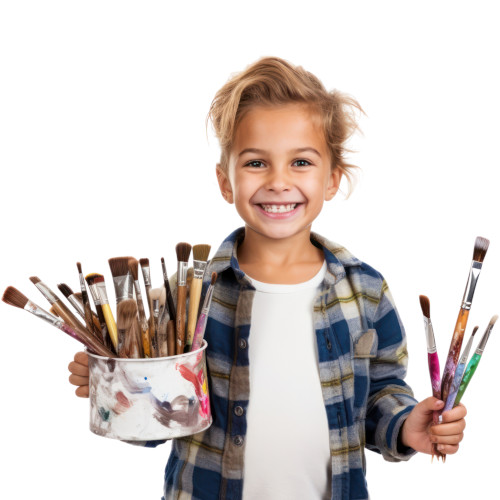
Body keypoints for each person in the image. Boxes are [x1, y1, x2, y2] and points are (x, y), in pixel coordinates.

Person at [68, 56, 467, 500]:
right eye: (256, 163)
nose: (279, 182)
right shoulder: (192, 298)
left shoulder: (366, 291)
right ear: (226, 182)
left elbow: (380, 393)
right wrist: (118, 384)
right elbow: (159, 421)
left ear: (332, 179)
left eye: (301, 162)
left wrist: (407, 424)